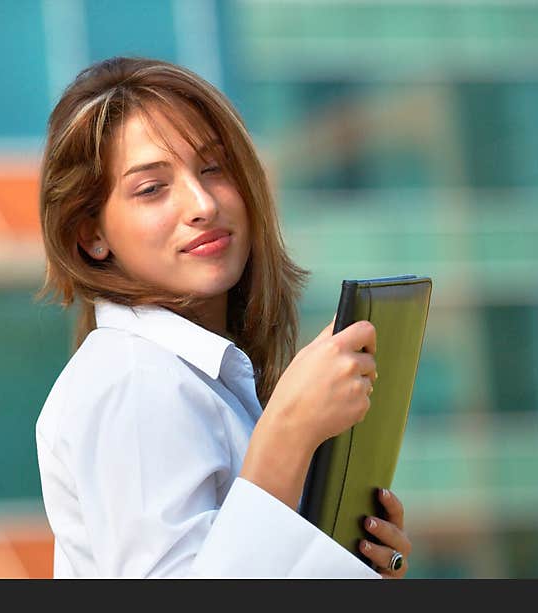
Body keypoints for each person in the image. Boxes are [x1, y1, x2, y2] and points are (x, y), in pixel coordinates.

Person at [35, 56, 412, 578]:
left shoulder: (203, 376)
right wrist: (288, 433)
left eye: (213, 168)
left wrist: (349, 565)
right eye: (151, 188)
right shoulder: (134, 379)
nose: (202, 204)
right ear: (90, 235)